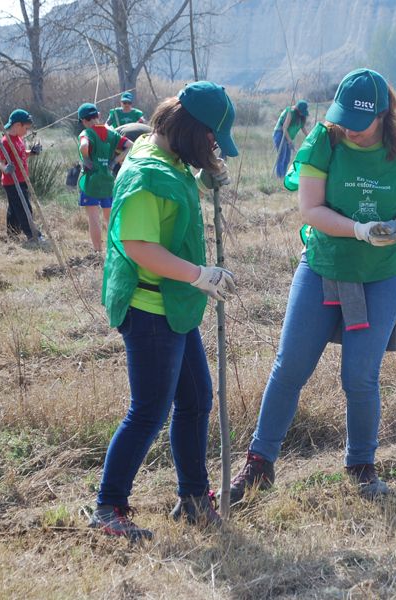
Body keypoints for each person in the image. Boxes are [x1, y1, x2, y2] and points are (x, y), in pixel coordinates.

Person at [227, 68, 396, 503]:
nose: (349, 131)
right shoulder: (325, 139)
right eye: (343, 120)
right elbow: (311, 209)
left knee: (360, 376)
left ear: (383, 116)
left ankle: (361, 466)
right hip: (324, 265)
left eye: (359, 124)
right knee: (290, 367)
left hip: (381, 275)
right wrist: (358, 229)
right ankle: (259, 464)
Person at [90, 81, 238, 541]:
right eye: (210, 140)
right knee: (149, 411)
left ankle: (193, 498)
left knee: (195, 400)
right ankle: (107, 507)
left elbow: (173, 191)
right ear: (191, 131)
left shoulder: (166, 157)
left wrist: (203, 175)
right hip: (150, 307)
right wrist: (199, 274)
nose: (212, 148)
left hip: (174, 305)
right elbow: (138, 246)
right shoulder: (145, 175)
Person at [77, 103, 133, 254]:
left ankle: (97, 252)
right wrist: (114, 162)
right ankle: (115, 249)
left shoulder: (86, 133)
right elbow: (130, 145)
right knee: (110, 218)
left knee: (94, 218)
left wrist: (87, 160)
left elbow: (83, 146)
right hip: (108, 181)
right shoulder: (112, 134)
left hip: (91, 183)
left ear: (83, 120)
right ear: (98, 115)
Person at [0, 108, 44, 244]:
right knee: (24, 208)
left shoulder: (18, 139)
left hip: (23, 179)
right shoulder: (6, 141)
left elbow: (22, 153)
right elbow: (0, 162)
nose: (27, 131)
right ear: (18, 125)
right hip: (12, 182)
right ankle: (33, 236)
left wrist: (33, 152)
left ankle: (12, 234)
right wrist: (6, 168)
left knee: (14, 208)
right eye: (26, 128)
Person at [273, 99, 310, 178]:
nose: (302, 114)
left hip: (288, 137)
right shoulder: (290, 112)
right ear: (297, 109)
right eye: (301, 112)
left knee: (287, 158)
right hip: (280, 134)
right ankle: (279, 177)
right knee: (282, 156)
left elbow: (303, 128)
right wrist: (289, 141)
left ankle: (283, 176)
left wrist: (310, 137)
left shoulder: (301, 117)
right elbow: (284, 127)